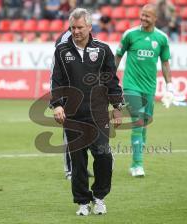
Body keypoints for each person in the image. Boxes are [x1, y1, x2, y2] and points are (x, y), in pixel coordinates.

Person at [50, 8, 123, 216]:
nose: (76, 31)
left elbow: (112, 81)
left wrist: (118, 107)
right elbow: (57, 81)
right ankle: (82, 201)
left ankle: (99, 197)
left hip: (99, 113)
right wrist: (57, 105)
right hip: (72, 115)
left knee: (104, 156)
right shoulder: (61, 51)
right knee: (78, 161)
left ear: (90, 27)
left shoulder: (103, 50)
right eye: (72, 28)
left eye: (80, 27)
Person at [115, 4, 174, 177]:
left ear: (155, 18)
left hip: (149, 87)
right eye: (142, 15)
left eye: (148, 16)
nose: (143, 19)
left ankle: (136, 161)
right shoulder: (130, 35)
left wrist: (170, 86)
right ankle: (137, 165)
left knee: (145, 123)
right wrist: (108, 79)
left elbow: (165, 63)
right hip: (131, 85)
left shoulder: (161, 39)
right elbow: (118, 56)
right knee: (138, 121)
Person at [55, 28, 94, 180]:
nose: (77, 29)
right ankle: (69, 170)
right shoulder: (65, 38)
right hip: (69, 92)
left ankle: (81, 168)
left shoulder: (86, 37)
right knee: (69, 133)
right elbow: (59, 67)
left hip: (84, 92)